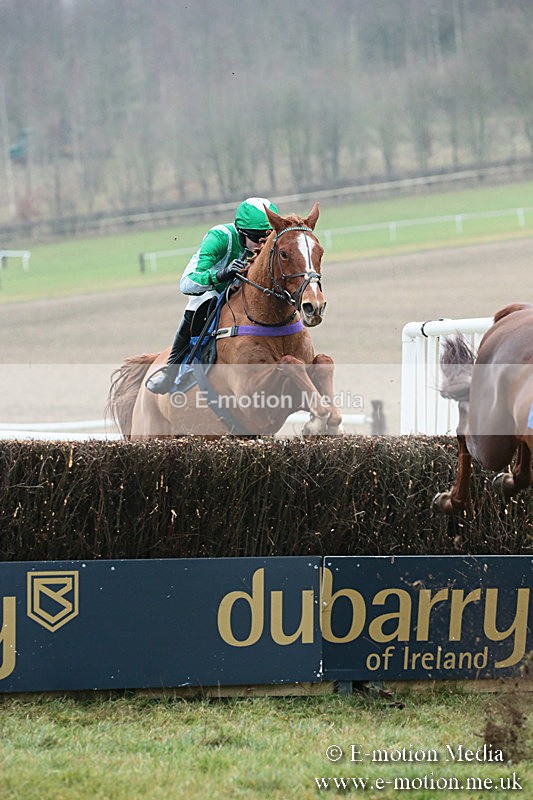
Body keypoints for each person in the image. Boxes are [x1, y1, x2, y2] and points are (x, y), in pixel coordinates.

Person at [146, 197, 279, 394]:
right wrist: (221, 274)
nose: (261, 245)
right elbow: (187, 283)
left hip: (247, 295)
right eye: (255, 238)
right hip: (213, 292)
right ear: (241, 232)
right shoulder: (219, 237)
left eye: (267, 238)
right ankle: (172, 370)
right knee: (201, 301)